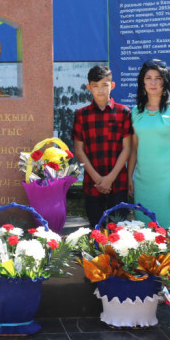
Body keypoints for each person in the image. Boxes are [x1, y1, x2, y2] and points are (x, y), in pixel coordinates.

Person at [128, 59, 170, 227]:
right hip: (143, 182)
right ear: (142, 82)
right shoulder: (136, 112)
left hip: (169, 182)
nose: (153, 82)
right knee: (143, 232)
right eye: (148, 78)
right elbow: (134, 149)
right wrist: (129, 177)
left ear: (165, 81)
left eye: (158, 78)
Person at [72, 65, 133, 226]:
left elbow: (127, 148)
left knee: (119, 232)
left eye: (104, 85)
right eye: (95, 85)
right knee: (96, 230)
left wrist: (109, 179)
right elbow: (79, 150)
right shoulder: (81, 115)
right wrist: (98, 179)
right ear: (88, 87)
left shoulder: (124, 112)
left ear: (112, 85)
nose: (100, 90)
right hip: (92, 183)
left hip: (118, 182)